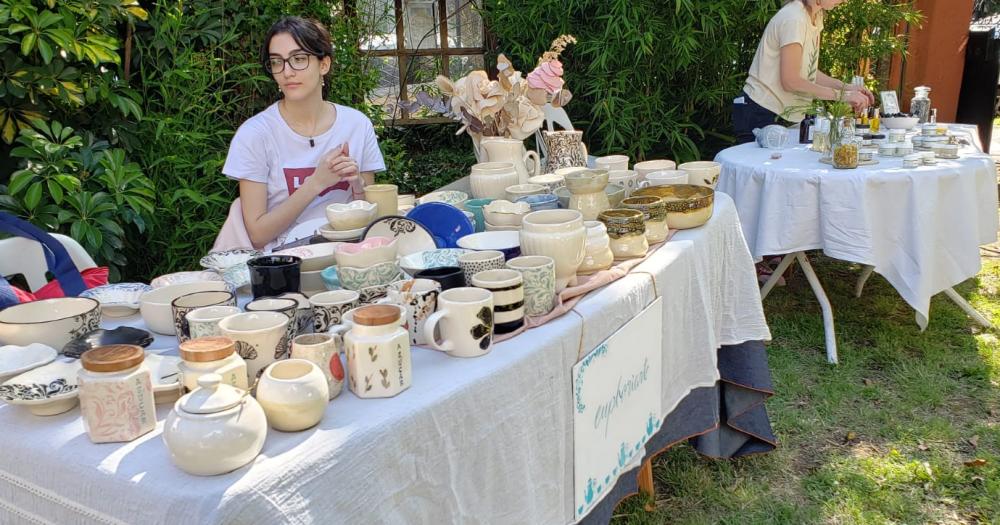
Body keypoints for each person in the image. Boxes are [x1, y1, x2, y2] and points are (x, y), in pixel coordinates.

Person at [221, 16, 385, 250]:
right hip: (283, 264)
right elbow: (257, 234)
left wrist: (358, 185)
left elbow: (370, 220)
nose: (287, 72)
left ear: (324, 65)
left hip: (349, 254)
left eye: (298, 59)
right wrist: (315, 183)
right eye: (277, 62)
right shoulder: (254, 134)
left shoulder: (357, 125)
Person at [732, 0, 875, 144]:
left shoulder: (815, 16)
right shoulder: (794, 18)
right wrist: (842, 95)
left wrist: (846, 87)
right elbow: (790, 81)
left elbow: (807, 72)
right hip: (760, 111)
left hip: (781, 115)